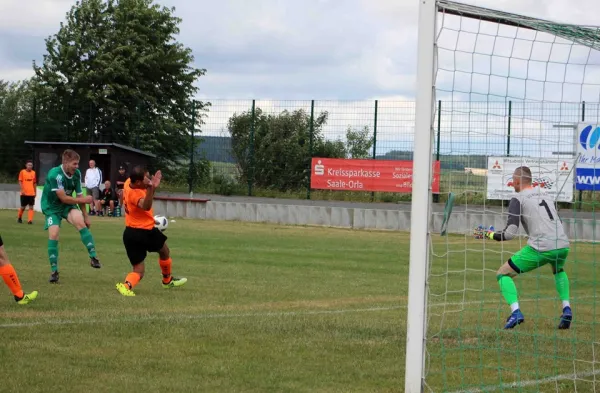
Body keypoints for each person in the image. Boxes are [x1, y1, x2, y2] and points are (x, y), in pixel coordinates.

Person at [477, 166, 571, 329]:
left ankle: (516, 313)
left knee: (502, 273)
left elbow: (509, 234)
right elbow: (559, 222)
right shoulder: (545, 194)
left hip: (541, 247)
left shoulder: (518, 198)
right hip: (563, 245)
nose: (512, 183)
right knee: (558, 270)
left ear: (518, 181)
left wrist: (488, 234)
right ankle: (567, 309)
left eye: (513, 179)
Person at [116, 165, 187, 296]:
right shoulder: (134, 194)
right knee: (164, 251)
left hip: (130, 232)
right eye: (146, 179)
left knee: (140, 269)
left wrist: (150, 188)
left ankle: (126, 285)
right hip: (144, 232)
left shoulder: (128, 182)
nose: (148, 180)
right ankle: (167, 281)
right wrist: (151, 187)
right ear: (137, 182)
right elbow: (146, 206)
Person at [41, 149, 102, 284]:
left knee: (80, 221)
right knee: (54, 233)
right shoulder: (54, 175)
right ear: (66, 162)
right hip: (52, 207)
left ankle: (93, 257)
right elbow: (63, 198)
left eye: (78, 164)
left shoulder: (77, 174)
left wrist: (86, 216)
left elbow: (79, 196)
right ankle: (54, 271)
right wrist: (84, 200)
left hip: (67, 205)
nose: (77, 167)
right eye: (74, 164)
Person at [17, 160, 37, 224]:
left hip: (31, 193)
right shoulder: (22, 172)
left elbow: (34, 183)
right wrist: (22, 190)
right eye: (29, 165)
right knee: (23, 207)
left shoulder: (33, 173)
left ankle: (30, 220)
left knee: (31, 207)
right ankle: (19, 218)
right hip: (24, 193)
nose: (30, 166)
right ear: (26, 165)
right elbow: (20, 181)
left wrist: (35, 191)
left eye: (31, 165)